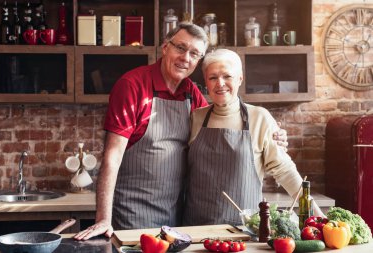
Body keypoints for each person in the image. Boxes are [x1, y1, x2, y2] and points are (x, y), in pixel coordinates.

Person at [74, 23, 288, 241]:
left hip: (177, 217)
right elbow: (112, 156)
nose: (186, 58)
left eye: (194, 53)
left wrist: (271, 135)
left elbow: (222, 122)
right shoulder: (133, 85)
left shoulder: (191, 93)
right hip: (133, 215)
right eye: (180, 48)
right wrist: (103, 218)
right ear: (165, 47)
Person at [182, 49, 324, 226]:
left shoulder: (259, 117)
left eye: (227, 76)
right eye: (213, 77)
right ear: (206, 82)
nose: (220, 83)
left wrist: (319, 218)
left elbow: (285, 170)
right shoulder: (195, 117)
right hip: (196, 227)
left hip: (246, 230)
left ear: (240, 78)